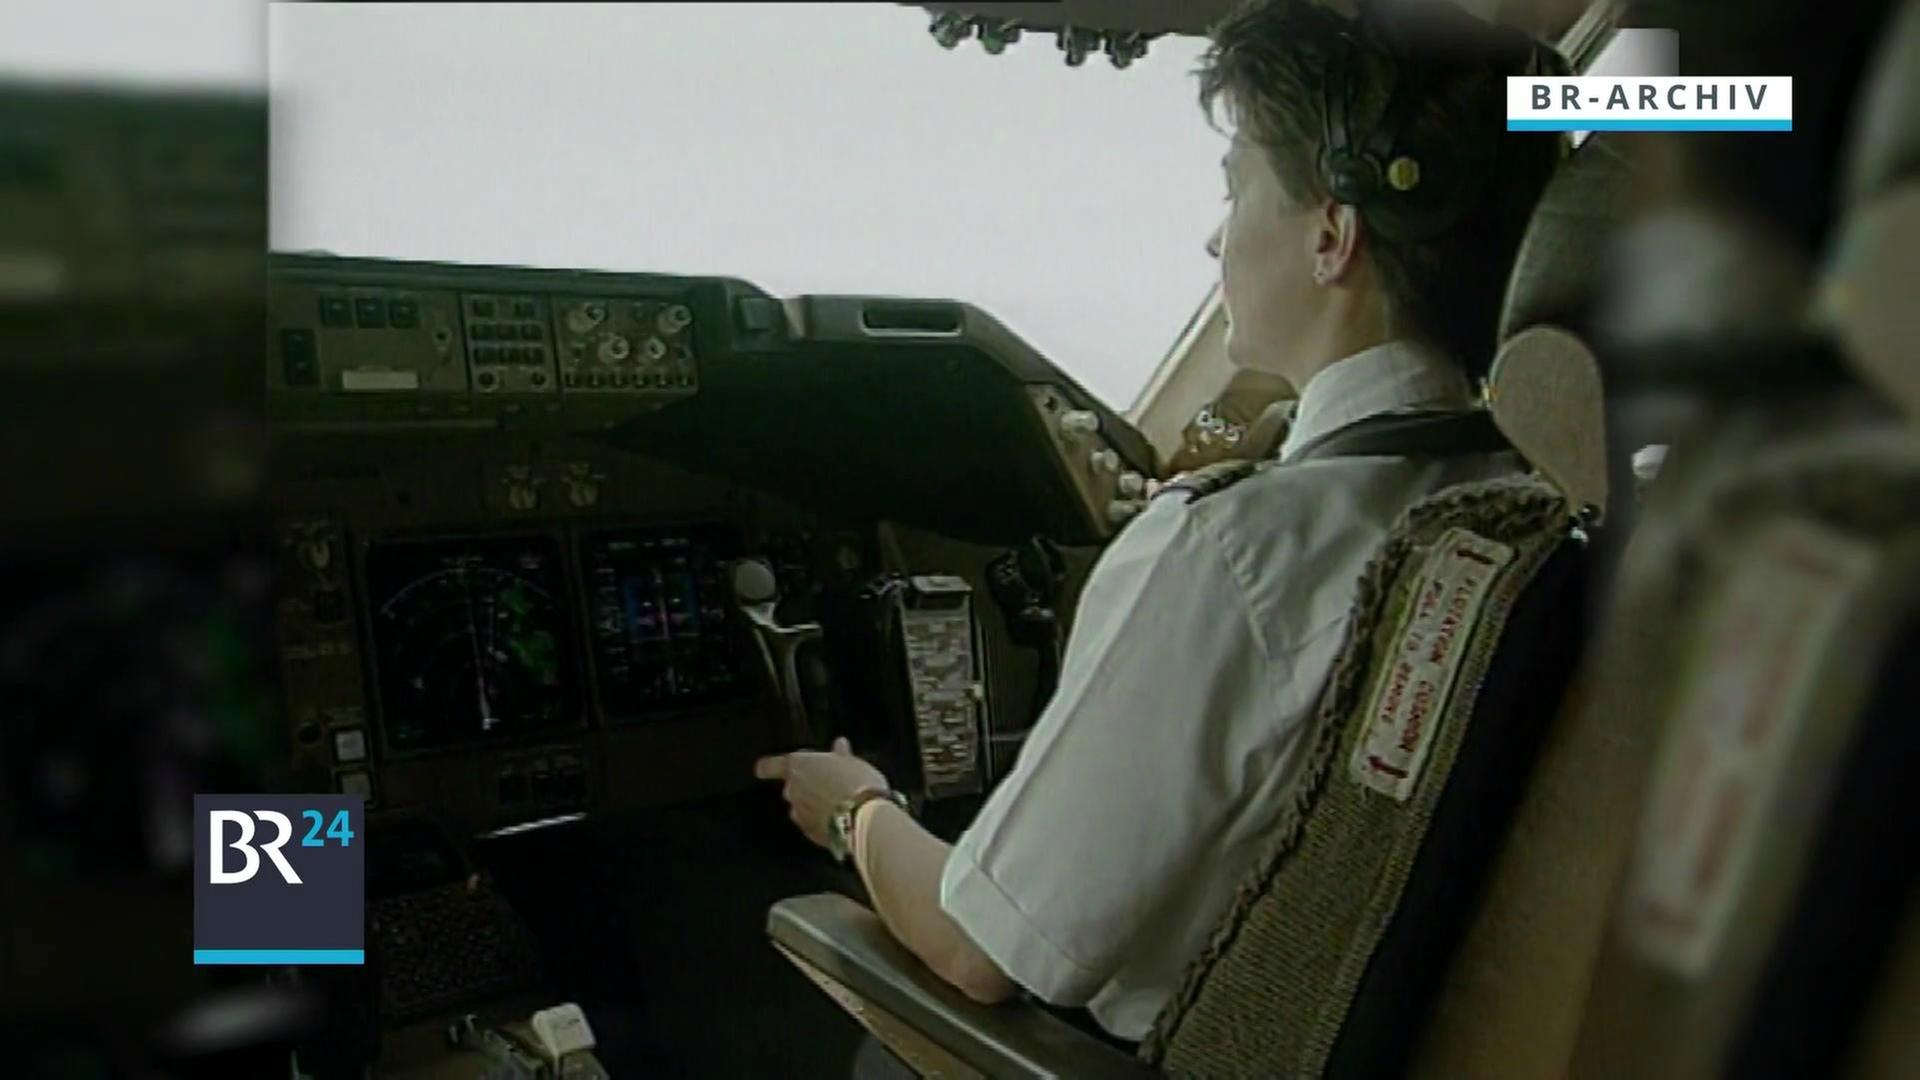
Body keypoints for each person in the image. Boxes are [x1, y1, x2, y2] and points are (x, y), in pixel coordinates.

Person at [754, 0, 1564, 1052]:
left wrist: (854, 809)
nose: (1215, 233)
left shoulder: (1231, 552)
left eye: (1237, 189)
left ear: (1332, 235)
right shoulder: (1523, 510)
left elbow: (974, 949)